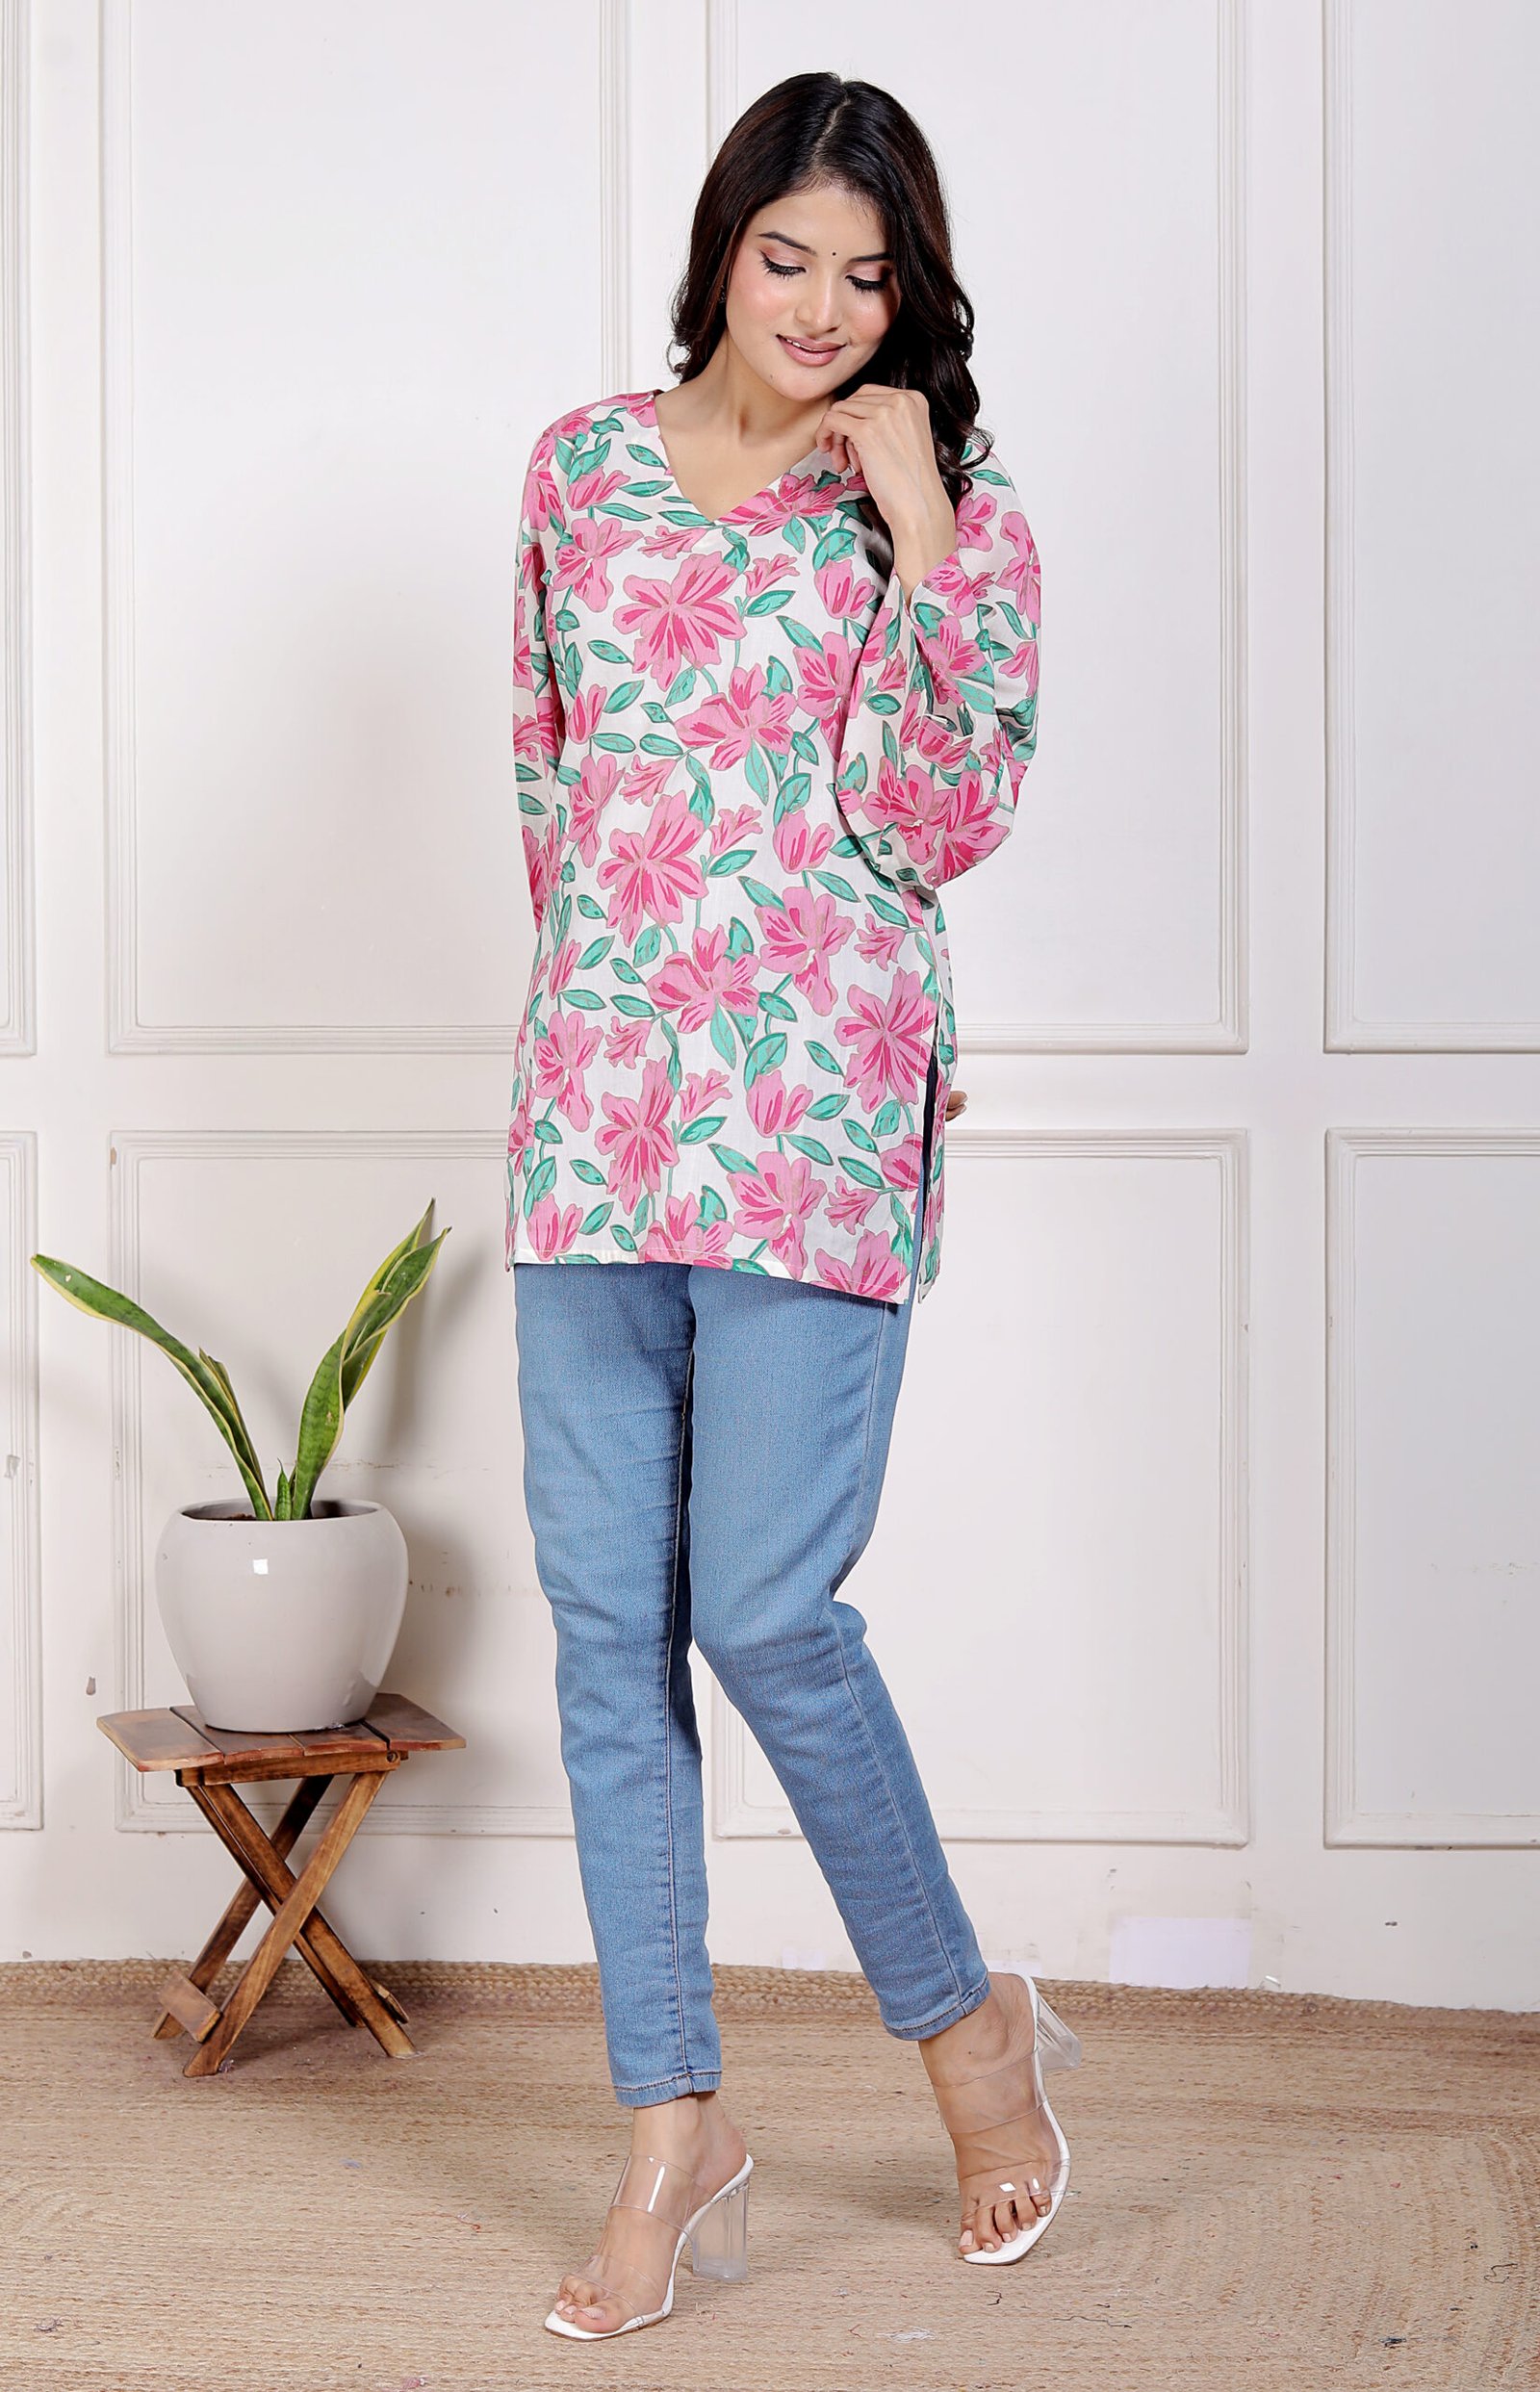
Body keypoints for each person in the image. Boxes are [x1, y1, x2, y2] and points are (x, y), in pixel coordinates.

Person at [505, 68, 1078, 2344]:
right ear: (720, 246)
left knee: (761, 1609)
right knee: (600, 1636)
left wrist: (921, 517)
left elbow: (938, 822)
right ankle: (674, 2131)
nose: (822, 307)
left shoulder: (948, 505)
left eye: (866, 274)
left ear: (908, 293)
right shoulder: (575, 470)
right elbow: (551, 784)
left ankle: (967, 2033)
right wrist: (587, 1033)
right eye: (785, 258)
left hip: (819, 1121)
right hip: (595, 1121)